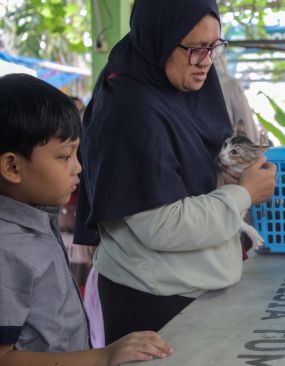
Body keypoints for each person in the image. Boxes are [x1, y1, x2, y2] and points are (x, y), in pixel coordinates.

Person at [73, 0, 277, 343]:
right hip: (152, 300)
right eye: (196, 49)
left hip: (188, 288)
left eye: (214, 47)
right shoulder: (132, 112)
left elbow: (187, 178)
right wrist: (243, 193)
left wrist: (229, 176)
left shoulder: (182, 88)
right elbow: (161, 225)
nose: (206, 62)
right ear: (160, 38)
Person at [0, 73, 172, 365]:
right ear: (12, 167)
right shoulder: (7, 248)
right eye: (64, 156)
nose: (77, 167)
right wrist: (102, 357)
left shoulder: (36, 220)